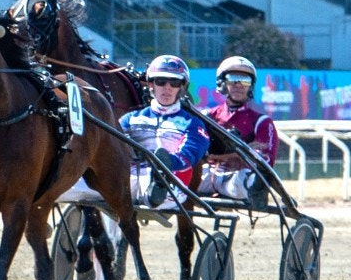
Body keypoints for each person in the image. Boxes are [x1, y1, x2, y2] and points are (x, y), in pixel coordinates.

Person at [119, 54, 210, 210]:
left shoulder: (193, 123)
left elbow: (191, 153)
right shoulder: (130, 119)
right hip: (129, 177)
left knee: (131, 186)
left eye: (174, 82)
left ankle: (155, 186)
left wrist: (165, 163)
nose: (167, 87)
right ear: (151, 85)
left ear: (182, 87)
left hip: (172, 180)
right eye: (161, 81)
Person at [197, 55, 277, 208]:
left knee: (249, 177)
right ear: (222, 83)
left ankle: (257, 189)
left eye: (245, 81)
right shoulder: (206, 117)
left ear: (251, 87)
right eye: (233, 79)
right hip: (206, 175)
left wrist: (216, 156)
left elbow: (264, 159)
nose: (238, 85)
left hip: (237, 179)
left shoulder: (261, 122)